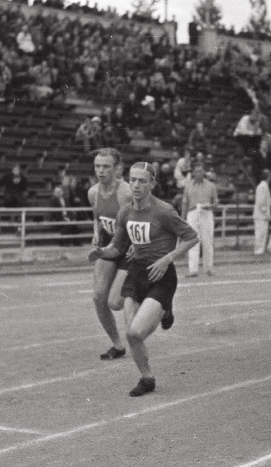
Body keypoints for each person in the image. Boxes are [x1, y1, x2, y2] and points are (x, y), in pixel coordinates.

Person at [89, 162, 199, 397]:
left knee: (136, 333)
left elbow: (192, 237)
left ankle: (164, 308)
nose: (136, 185)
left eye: (142, 181)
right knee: (131, 334)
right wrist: (101, 252)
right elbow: (117, 247)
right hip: (136, 274)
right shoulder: (126, 212)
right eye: (133, 180)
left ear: (152, 184)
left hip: (160, 275)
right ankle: (147, 378)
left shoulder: (164, 211)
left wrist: (167, 258)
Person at [88, 148, 133, 360]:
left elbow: (141, 219)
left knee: (115, 302)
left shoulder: (126, 193)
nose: (101, 171)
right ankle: (117, 344)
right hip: (108, 244)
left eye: (106, 166)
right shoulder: (93, 193)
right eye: (97, 166)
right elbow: (97, 218)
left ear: (117, 169)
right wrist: (96, 233)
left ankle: (152, 300)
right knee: (98, 297)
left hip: (128, 246)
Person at [182, 162, 218, 276]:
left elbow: (216, 202)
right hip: (192, 212)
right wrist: (183, 219)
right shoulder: (188, 185)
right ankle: (193, 270)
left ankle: (209, 268)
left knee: (208, 242)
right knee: (193, 241)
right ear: (193, 173)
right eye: (196, 171)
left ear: (204, 172)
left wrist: (211, 206)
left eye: (201, 171)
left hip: (206, 212)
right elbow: (184, 203)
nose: (199, 173)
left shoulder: (211, 186)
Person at [253, 169, 271, 255]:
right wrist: (266, 214)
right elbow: (261, 203)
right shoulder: (263, 186)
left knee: (262, 233)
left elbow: (265, 201)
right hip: (261, 215)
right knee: (260, 233)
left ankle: (260, 250)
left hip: (262, 214)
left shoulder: (264, 186)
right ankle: (258, 250)